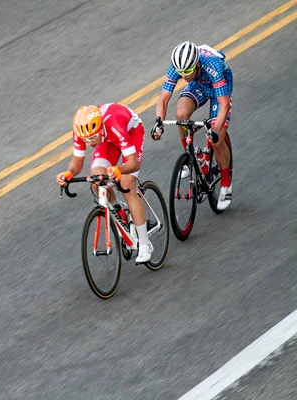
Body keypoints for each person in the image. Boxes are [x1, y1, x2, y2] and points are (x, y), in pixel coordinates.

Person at [56, 103, 153, 263]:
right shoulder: (82, 131)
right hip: (107, 140)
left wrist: (118, 169)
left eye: (92, 138)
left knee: (127, 185)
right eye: (85, 140)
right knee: (97, 182)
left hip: (130, 132)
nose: (89, 143)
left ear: (100, 129)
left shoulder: (114, 126)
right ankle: (118, 208)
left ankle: (144, 243)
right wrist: (68, 173)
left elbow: (134, 163)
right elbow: (77, 162)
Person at [151, 41, 233, 210]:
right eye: (181, 73)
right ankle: (189, 158)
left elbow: (223, 104)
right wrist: (158, 123)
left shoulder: (213, 66)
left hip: (219, 84)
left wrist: (216, 131)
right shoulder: (179, 66)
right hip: (199, 85)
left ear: (196, 64)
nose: (184, 76)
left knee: (217, 141)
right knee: (181, 115)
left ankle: (226, 183)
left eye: (187, 71)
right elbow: (164, 99)